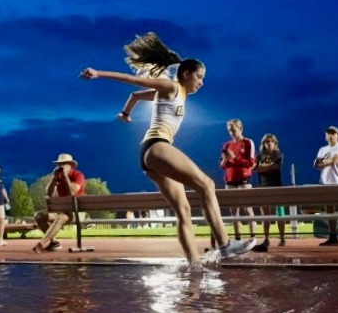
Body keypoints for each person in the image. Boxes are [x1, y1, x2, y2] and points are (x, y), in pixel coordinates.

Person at [79, 32, 256, 266]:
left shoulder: (176, 94)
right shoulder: (171, 86)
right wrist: (99, 73)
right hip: (157, 146)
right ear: (186, 73)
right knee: (207, 185)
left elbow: (135, 96)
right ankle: (224, 245)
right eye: (199, 77)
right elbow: (133, 82)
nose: (201, 83)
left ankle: (194, 266)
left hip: (149, 155)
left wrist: (126, 113)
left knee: (183, 210)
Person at [33, 153, 86, 252]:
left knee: (61, 217)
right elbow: (48, 193)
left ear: (70, 165)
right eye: (59, 164)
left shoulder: (78, 175)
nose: (61, 166)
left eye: (64, 164)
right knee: (39, 215)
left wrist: (65, 176)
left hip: (77, 212)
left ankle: (42, 243)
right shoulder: (58, 177)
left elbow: (73, 192)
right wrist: (53, 179)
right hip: (62, 211)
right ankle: (54, 242)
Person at [220, 119, 257, 243]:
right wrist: (226, 159)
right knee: (233, 210)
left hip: (244, 178)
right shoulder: (226, 145)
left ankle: (253, 238)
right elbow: (223, 165)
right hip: (230, 178)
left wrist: (235, 157)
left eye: (234, 130)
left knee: (247, 208)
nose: (231, 133)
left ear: (240, 129)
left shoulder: (247, 142)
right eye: (230, 130)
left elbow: (251, 163)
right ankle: (237, 238)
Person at [254, 133, 286, 250]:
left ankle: (282, 238)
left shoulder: (278, 154)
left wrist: (262, 167)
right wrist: (267, 166)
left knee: (280, 215)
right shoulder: (258, 156)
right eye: (267, 142)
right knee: (265, 215)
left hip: (277, 187)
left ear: (275, 143)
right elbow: (254, 168)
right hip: (263, 187)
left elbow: (275, 166)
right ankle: (266, 238)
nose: (269, 143)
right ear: (263, 144)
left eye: (271, 141)